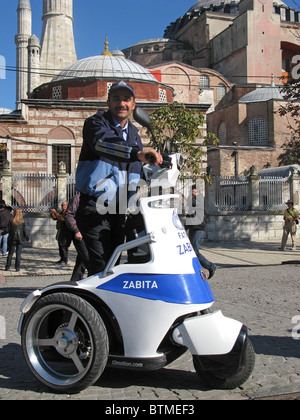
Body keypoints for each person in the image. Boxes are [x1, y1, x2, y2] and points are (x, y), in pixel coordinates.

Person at [75, 80, 163, 275]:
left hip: (120, 209)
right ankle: (88, 304)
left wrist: (157, 171)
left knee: (114, 267)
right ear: (108, 102)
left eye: (126, 99)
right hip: (94, 208)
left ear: (133, 105)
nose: (121, 103)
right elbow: (105, 144)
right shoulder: (95, 124)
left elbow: (135, 172)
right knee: (101, 269)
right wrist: (138, 154)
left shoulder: (134, 133)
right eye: (116, 98)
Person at [186, 186, 217, 279]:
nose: (191, 193)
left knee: (194, 250)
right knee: (190, 251)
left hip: (199, 228)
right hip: (192, 228)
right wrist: (184, 227)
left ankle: (210, 266)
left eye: (193, 191)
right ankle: (195, 269)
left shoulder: (202, 200)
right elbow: (190, 215)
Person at [64, 193, 90, 281]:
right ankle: (94, 283)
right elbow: (68, 215)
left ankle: (74, 281)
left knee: (81, 260)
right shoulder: (78, 198)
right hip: (80, 235)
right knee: (88, 260)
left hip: (91, 235)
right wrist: (76, 230)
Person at [5, 208, 30, 272]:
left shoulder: (11, 220)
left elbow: (7, 230)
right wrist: (27, 238)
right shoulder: (22, 221)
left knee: (10, 253)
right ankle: (17, 267)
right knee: (18, 254)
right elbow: (25, 231)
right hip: (20, 239)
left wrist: (2, 233)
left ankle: (7, 267)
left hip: (12, 239)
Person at [50, 201, 72, 265]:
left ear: (66, 205)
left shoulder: (67, 212)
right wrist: (52, 213)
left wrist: (55, 212)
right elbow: (55, 218)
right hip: (60, 230)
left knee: (64, 245)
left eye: (63, 205)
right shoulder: (61, 212)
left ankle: (65, 259)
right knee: (60, 244)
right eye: (62, 205)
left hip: (66, 231)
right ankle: (62, 258)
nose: (62, 206)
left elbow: (62, 218)